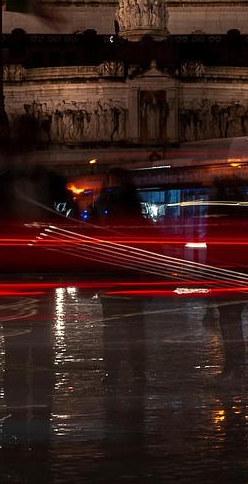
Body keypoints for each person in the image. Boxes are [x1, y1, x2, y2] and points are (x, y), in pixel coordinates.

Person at [94, 167, 150, 389]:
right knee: (129, 328)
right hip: (124, 278)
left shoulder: (109, 212)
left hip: (121, 278)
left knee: (117, 329)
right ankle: (132, 372)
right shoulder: (129, 212)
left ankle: (117, 372)